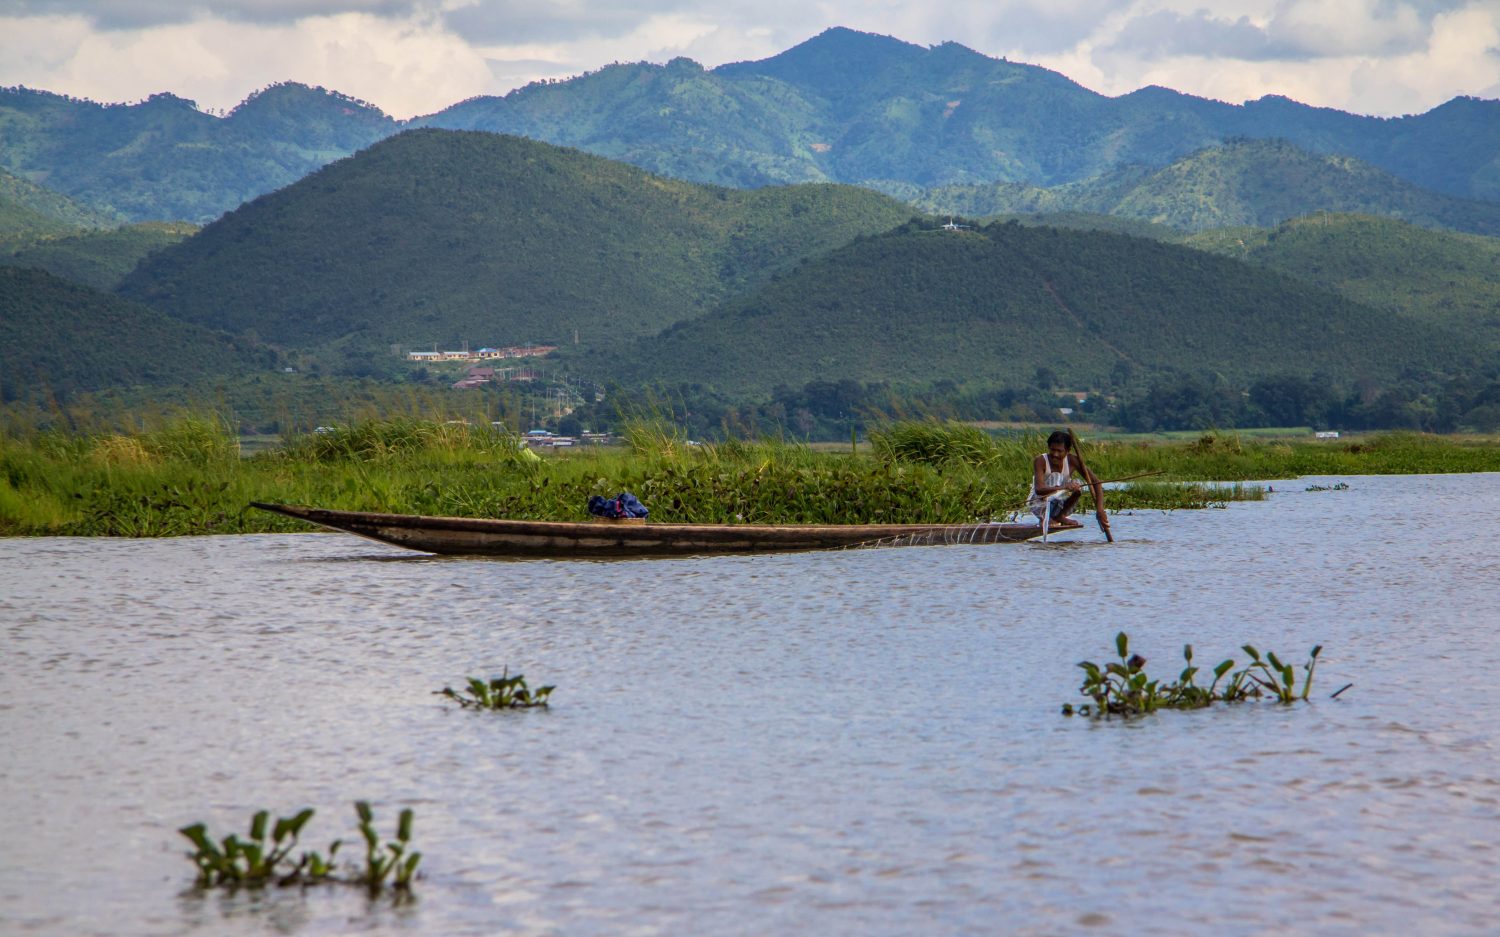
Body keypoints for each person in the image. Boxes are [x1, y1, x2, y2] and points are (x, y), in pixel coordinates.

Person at [1028, 430, 1101, 530]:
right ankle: (1045, 517)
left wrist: (1100, 510)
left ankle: (1060, 516)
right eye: (1052, 450)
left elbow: (1096, 482)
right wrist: (1064, 487)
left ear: (1067, 450)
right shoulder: (1041, 460)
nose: (1055, 454)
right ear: (1049, 447)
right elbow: (1039, 489)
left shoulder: (1072, 461)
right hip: (1039, 503)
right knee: (1056, 477)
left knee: (1078, 485)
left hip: (1058, 502)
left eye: (1059, 451)